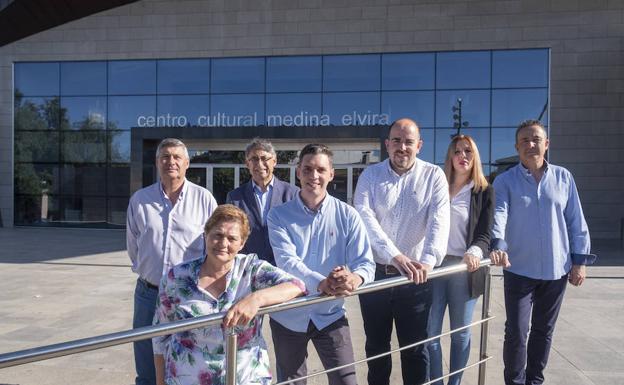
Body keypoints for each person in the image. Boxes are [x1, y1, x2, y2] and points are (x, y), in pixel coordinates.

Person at [489, 119, 596, 385]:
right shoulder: (505, 181)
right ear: (517, 147)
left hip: (556, 270)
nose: (531, 144)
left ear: (546, 144)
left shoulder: (564, 178)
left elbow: (576, 221)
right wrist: (498, 242)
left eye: (536, 139)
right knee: (516, 331)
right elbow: (499, 213)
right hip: (519, 269)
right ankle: (514, 382)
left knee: (543, 331)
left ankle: (534, 381)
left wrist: (579, 261)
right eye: (524, 140)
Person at [152, 204, 306, 385]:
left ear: (242, 244)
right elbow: (160, 336)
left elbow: (297, 285)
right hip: (188, 378)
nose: (223, 244)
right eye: (217, 235)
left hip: (245, 376)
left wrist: (256, 299)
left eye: (232, 238)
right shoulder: (175, 277)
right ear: (205, 235)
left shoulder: (251, 269)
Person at [267, 143, 376, 385]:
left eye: (320, 170)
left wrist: (353, 279)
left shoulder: (348, 215)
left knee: (347, 382)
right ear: (298, 172)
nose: (313, 176)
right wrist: (322, 283)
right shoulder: (278, 216)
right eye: (307, 169)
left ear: (331, 174)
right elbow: (287, 262)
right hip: (288, 316)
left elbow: (365, 263)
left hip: (331, 314)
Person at [354, 118, 450, 385]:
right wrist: (395, 256)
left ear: (419, 145)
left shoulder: (433, 176)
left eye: (409, 141)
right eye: (396, 140)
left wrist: (428, 264)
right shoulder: (370, 176)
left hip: (416, 278)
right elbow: (365, 219)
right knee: (376, 350)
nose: (402, 147)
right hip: (376, 276)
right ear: (387, 144)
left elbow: (439, 222)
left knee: (416, 351)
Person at [127, 138, 217, 385]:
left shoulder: (204, 199)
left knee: (190, 363)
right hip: (149, 294)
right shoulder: (140, 200)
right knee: (146, 367)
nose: (171, 161)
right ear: (157, 162)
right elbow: (134, 246)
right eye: (165, 156)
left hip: (189, 295)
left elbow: (214, 247)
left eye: (177, 157)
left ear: (187, 163)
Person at [426, 135, 494, 385]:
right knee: (430, 334)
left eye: (468, 151)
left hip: (464, 269)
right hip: (434, 268)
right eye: (457, 151)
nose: (463, 156)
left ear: (474, 157)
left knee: (460, 333)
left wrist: (475, 251)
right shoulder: (437, 187)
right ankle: (436, 383)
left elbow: (486, 233)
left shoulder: (483, 191)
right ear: (450, 157)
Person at [226, 138, 298, 266]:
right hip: (248, 271)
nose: (259, 164)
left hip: (284, 269)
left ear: (274, 161)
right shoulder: (235, 197)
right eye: (254, 159)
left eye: (265, 158)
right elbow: (232, 235)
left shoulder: (293, 194)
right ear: (247, 164)